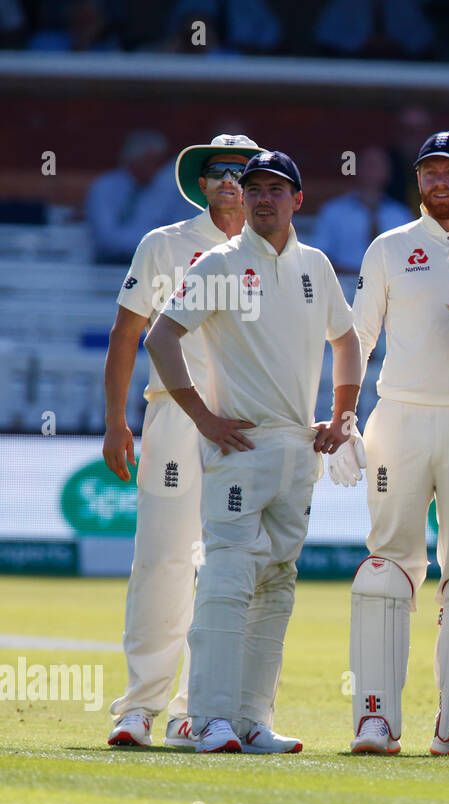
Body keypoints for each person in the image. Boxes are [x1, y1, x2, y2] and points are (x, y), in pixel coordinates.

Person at [144, 150, 362, 754]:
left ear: (298, 200)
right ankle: (207, 719)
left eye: (275, 189)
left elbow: (346, 340)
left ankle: (250, 719)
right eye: (254, 188)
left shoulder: (316, 266)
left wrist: (344, 416)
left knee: (277, 583)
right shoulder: (219, 262)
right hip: (240, 444)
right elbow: (161, 337)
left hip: (299, 448)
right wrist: (201, 416)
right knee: (228, 575)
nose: (262, 198)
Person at [335, 131, 449, 757]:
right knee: (385, 569)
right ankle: (375, 719)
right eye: (429, 171)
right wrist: (342, 417)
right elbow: (354, 335)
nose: (439, 182)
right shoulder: (390, 248)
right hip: (401, 416)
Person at [104, 133, 263, 749]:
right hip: (173, 416)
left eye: (243, 172)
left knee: (230, 567)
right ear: (202, 182)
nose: (231, 180)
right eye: (220, 171)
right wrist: (116, 422)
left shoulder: (279, 253)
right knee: (164, 559)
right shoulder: (165, 244)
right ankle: (140, 707)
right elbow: (127, 333)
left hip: (248, 426)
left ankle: (201, 709)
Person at [85, 129, 193, 265]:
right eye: (151, 161)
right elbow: (106, 238)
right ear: (133, 159)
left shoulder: (165, 188)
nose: (157, 168)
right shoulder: (105, 186)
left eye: (159, 163)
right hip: (111, 262)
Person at [310, 146, 411, 274]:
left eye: (377, 165)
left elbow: (409, 259)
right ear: (356, 168)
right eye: (367, 164)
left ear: (388, 172)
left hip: (389, 288)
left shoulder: (400, 215)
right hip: (342, 285)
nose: (371, 170)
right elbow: (318, 256)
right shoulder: (333, 211)